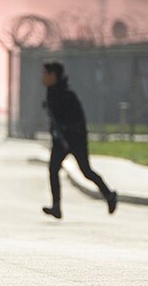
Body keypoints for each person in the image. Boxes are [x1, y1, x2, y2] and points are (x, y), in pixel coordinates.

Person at [40, 61, 116, 220]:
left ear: (53, 75)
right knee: (53, 170)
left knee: (86, 171)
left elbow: (77, 119)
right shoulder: (51, 93)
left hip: (75, 140)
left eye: (46, 74)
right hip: (60, 140)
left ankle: (109, 195)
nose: (43, 77)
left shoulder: (67, 95)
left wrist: (67, 131)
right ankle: (56, 206)